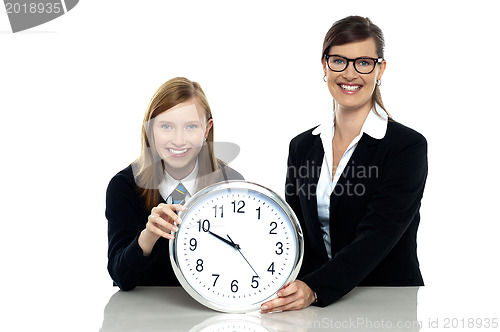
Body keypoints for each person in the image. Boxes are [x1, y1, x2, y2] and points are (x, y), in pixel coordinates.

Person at [261, 16, 427, 313]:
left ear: (380, 69)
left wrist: (315, 288)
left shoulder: (406, 147)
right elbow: (294, 232)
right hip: (313, 306)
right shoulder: (301, 146)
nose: (350, 74)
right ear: (324, 66)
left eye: (363, 62)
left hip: (385, 303)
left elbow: (379, 234)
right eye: (339, 61)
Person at [106, 77, 243, 291]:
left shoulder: (230, 183)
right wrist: (148, 237)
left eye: (190, 126)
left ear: (206, 129)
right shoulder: (124, 187)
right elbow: (121, 277)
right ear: (151, 130)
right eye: (166, 126)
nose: (178, 140)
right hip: (143, 317)